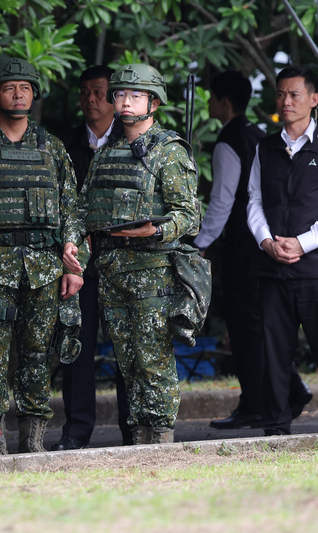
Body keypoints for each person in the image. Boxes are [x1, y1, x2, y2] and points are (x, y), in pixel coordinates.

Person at [63, 63, 201, 444]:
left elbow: (190, 217)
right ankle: (139, 441)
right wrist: (73, 240)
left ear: (153, 102)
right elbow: (81, 207)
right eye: (120, 94)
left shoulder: (168, 151)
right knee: (127, 363)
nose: (124, 102)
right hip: (111, 272)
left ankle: (160, 439)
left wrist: (154, 229)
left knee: (153, 362)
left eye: (135, 95)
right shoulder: (107, 153)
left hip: (152, 272)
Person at [0, 57, 79, 455]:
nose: (18, 94)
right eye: (10, 87)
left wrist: (72, 263)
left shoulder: (52, 148)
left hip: (44, 269)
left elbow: (70, 210)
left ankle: (33, 442)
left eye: (26, 87)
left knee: (37, 355)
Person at [199, 71, 313, 430]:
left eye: (212, 98)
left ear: (225, 103)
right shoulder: (258, 136)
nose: (208, 104)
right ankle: (280, 394)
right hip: (264, 246)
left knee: (249, 330)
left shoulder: (229, 141)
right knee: (260, 329)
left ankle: (260, 402)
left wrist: (200, 243)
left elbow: (223, 201)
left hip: (243, 250)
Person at [246, 65, 318, 436]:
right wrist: (266, 239)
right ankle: (276, 427)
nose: (286, 101)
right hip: (272, 266)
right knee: (273, 354)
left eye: (294, 94)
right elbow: (254, 199)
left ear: (314, 99)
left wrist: (305, 241)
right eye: (281, 94)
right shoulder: (265, 146)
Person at [53, 65, 132, 450]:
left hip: (123, 264)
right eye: (84, 92)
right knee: (76, 348)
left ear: (115, 98)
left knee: (126, 349)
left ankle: (133, 430)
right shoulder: (65, 144)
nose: (91, 99)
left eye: (99, 92)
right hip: (78, 266)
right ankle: (77, 430)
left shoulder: (131, 139)